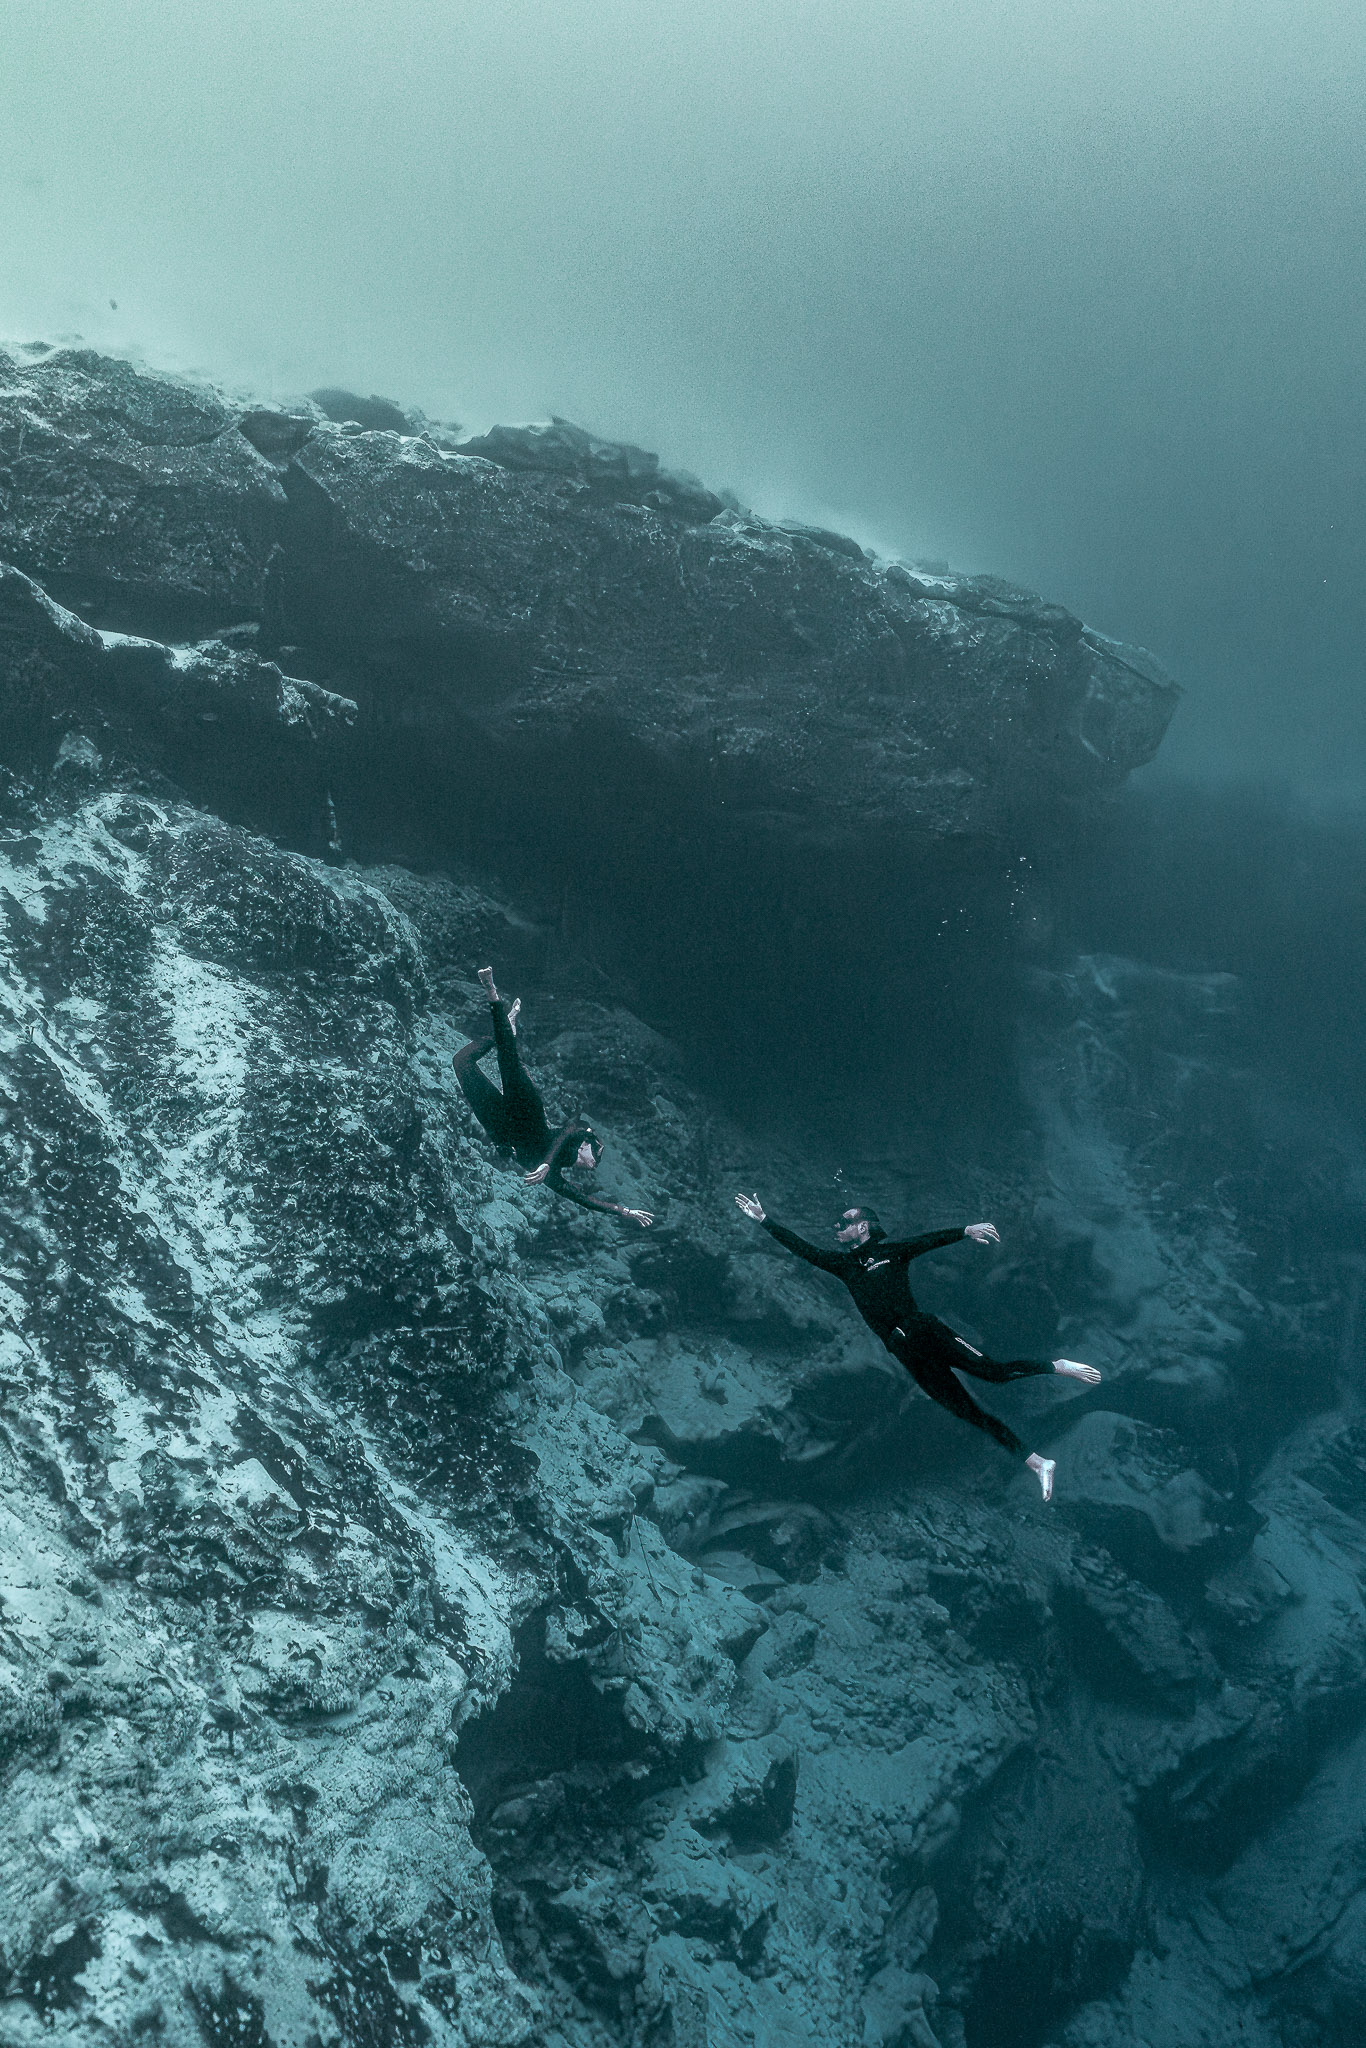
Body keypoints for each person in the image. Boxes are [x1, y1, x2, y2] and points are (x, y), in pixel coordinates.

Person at [733, 1195, 1100, 1498]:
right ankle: (1037, 1462)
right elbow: (803, 1250)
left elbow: (926, 1241)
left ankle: (1058, 1366)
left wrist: (965, 1231)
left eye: (844, 1221)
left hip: (924, 1330)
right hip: (905, 1352)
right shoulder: (844, 1266)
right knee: (968, 1412)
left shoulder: (892, 1251)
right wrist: (765, 1220)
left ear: (863, 1226)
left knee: (994, 1373)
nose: (837, 1226)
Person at [453, 969, 653, 1225]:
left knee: (461, 1062)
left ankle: (504, 1033)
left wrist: (623, 1211)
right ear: (584, 1146)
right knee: (507, 1058)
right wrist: (546, 1163)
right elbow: (567, 1133)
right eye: (596, 1156)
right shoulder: (575, 1135)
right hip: (527, 1111)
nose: (595, 1164)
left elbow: (584, 1200)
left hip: (500, 1126)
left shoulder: (551, 1176)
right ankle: (491, 992)